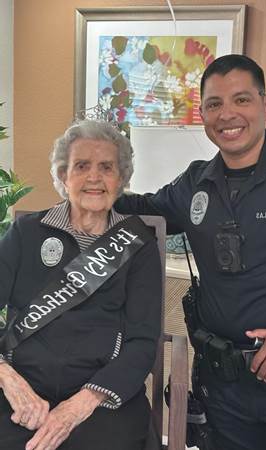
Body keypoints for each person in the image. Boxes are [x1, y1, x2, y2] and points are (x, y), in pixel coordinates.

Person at [115, 54, 266, 449]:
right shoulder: (194, 184)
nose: (227, 114)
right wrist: (89, 189)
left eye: (241, 100)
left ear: (264, 105)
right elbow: (143, 212)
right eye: (214, 104)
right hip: (224, 389)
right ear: (202, 114)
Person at [0, 120, 162, 450]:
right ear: (63, 176)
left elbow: (142, 342)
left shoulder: (137, 246)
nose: (94, 177)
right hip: (23, 389)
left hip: (100, 397)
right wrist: (9, 380)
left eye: (106, 167)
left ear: (121, 179)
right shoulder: (27, 233)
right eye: (81, 165)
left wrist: (77, 407)